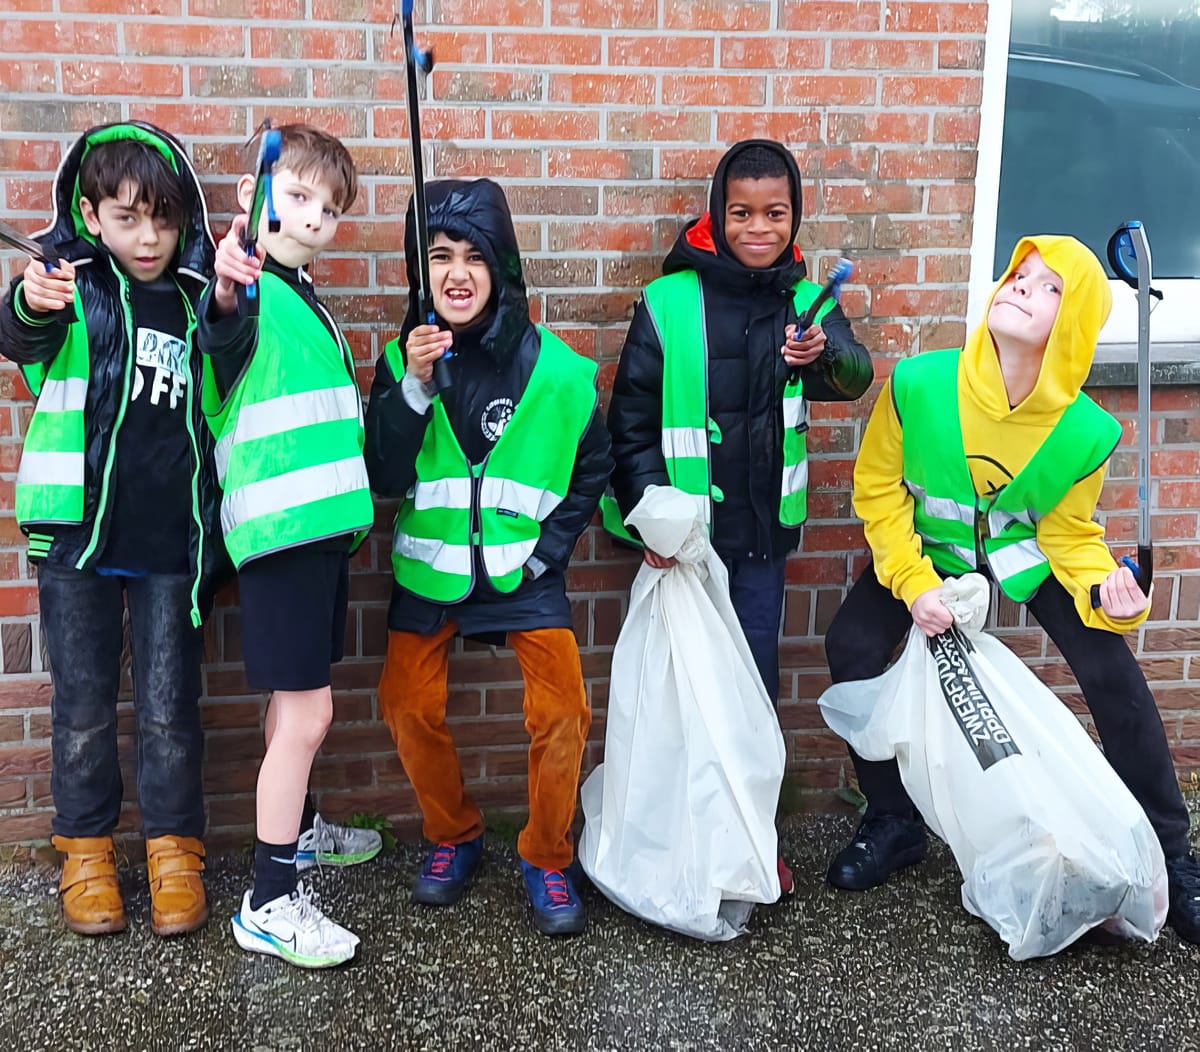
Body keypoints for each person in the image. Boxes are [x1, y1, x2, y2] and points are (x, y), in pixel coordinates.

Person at [822, 234, 1200, 946]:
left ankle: (1173, 859)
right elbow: (877, 494)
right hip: (924, 554)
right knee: (850, 642)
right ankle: (894, 821)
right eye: (1018, 275)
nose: (1023, 286)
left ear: (1076, 323)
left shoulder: (1086, 431)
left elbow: (1068, 535)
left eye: (1050, 286)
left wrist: (1110, 593)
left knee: (1112, 671)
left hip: (1022, 560)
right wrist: (912, 585)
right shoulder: (919, 385)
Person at [605, 139, 873, 894]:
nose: (759, 229)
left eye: (776, 213)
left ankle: (750, 839)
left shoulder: (808, 300)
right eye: (742, 212)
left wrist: (821, 355)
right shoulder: (668, 303)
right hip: (682, 545)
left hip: (759, 546)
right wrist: (648, 521)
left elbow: (853, 376)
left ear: (797, 217)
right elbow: (629, 426)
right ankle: (679, 841)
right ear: (717, 215)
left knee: (751, 693)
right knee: (681, 697)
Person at [365, 177, 612, 936]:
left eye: (475, 256)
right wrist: (410, 387)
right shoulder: (400, 361)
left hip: (522, 572)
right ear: (421, 271)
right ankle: (454, 833)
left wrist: (549, 554)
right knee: (405, 704)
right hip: (431, 571)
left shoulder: (560, 372)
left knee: (564, 709)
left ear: (503, 266)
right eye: (439, 257)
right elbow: (383, 474)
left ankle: (546, 851)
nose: (457, 274)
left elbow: (591, 467)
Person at [0, 122, 219, 937]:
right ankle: (86, 852)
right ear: (90, 216)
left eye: (161, 218)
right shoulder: (69, 287)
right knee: (84, 708)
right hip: (76, 542)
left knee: (170, 707)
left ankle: (173, 852)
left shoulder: (194, 296)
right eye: (127, 218)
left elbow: (227, 376)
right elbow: (16, 334)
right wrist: (28, 299)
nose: (149, 236)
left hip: (168, 540)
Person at [197, 124, 379, 968]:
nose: (311, 218)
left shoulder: (305, 300)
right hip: (279, 534)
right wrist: (230, 281)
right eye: (296, 196)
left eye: (329, 208)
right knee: (310, 715)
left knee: (291, 711)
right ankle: (269, 900)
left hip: (314, 536)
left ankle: (298, 836)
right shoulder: (247, 286)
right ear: (252, 194)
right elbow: (223, 321)